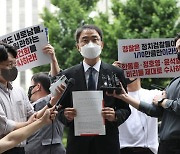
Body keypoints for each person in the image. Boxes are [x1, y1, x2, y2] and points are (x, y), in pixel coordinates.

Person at [55, 24, 131, 154]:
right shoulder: (68, 75)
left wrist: (115, 116)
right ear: (78, 46)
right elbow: (58, 108)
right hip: (78, 145)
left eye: (95, 39)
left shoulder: (116, 73)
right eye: (85, 40)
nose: (90, 43)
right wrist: (65, 115)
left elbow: (125, 108)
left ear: (101, 44)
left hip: (107, 144)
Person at [108, 33, 180, 154]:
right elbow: (156, 111)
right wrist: (112, 75)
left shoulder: (155, 94)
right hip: (164, 146)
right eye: (177, 49)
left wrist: (163, 101)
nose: (178, 52)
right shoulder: (173, 82)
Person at [0, 42, 64, 154]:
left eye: (14, 64)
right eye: (9, 64)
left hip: (21, 149)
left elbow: (33, 115)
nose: (13, 69)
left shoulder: (18, 91)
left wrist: (50, 104)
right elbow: (5, 126)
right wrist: (32, 123)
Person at [113, 61, 161, 154]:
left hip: (148, 150)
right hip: (121, 149)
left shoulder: (155, 94)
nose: (128, 72)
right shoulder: (114, 96)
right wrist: (110, 72)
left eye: (132, 67)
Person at [25, 72, 66, 154]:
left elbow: (57, 76)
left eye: (31, 86)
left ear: (38, 87)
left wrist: (53, 60)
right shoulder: (29, 105)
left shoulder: (49, 100)